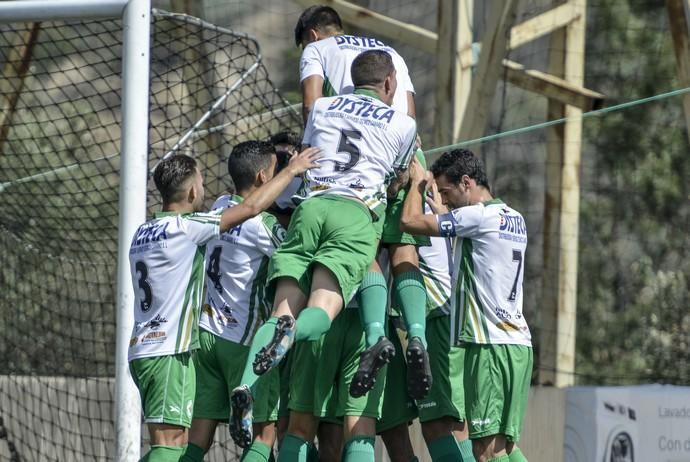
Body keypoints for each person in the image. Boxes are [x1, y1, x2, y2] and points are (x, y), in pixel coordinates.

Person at [229, 50, 417, 460]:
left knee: (282, 312)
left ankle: (247, 383)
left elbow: (312, 153)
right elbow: (396, 180)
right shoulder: (404, 123)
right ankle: (326, 333)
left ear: (351, 82)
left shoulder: (324, 108)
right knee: (321, 310)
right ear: (389, 84)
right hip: (353, 214)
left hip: (310, 209)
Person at [127, 149, 318, 462]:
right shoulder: (189, 228)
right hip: (207, 345)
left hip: (183, 343)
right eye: (201, 181)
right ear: (191, 191)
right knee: (258, 436)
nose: (205, 187)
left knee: (191, 441)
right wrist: (293, 171)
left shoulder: (144, 231)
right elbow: (254, 209)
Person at [295, 4, 432, 400]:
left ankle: (375, 336)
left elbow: (310, 104)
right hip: (404, 151)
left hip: (352, 166)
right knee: (405, 249)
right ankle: (416, 336)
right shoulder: (390, 55)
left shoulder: (317, 50)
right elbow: (411, 116)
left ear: (313, 34)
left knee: (365, 249)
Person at [400, 149, 533, 462]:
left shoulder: (477, 216)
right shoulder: (514, 217)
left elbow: (408, 221)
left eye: (447, 192)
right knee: (505, 448)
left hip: (488, 346)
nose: (445, 201)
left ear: (466, 182)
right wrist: (444, 214)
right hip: (518, 345)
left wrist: (418, 182)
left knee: (484, 451)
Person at [181, 141, 290, 462]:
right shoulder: (264, 227)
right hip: (244, 342)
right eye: (276, 173)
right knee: (264, 436)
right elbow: (297, 260)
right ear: (261, 177)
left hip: (204, 337)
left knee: (198, 439)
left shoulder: (219, 208)